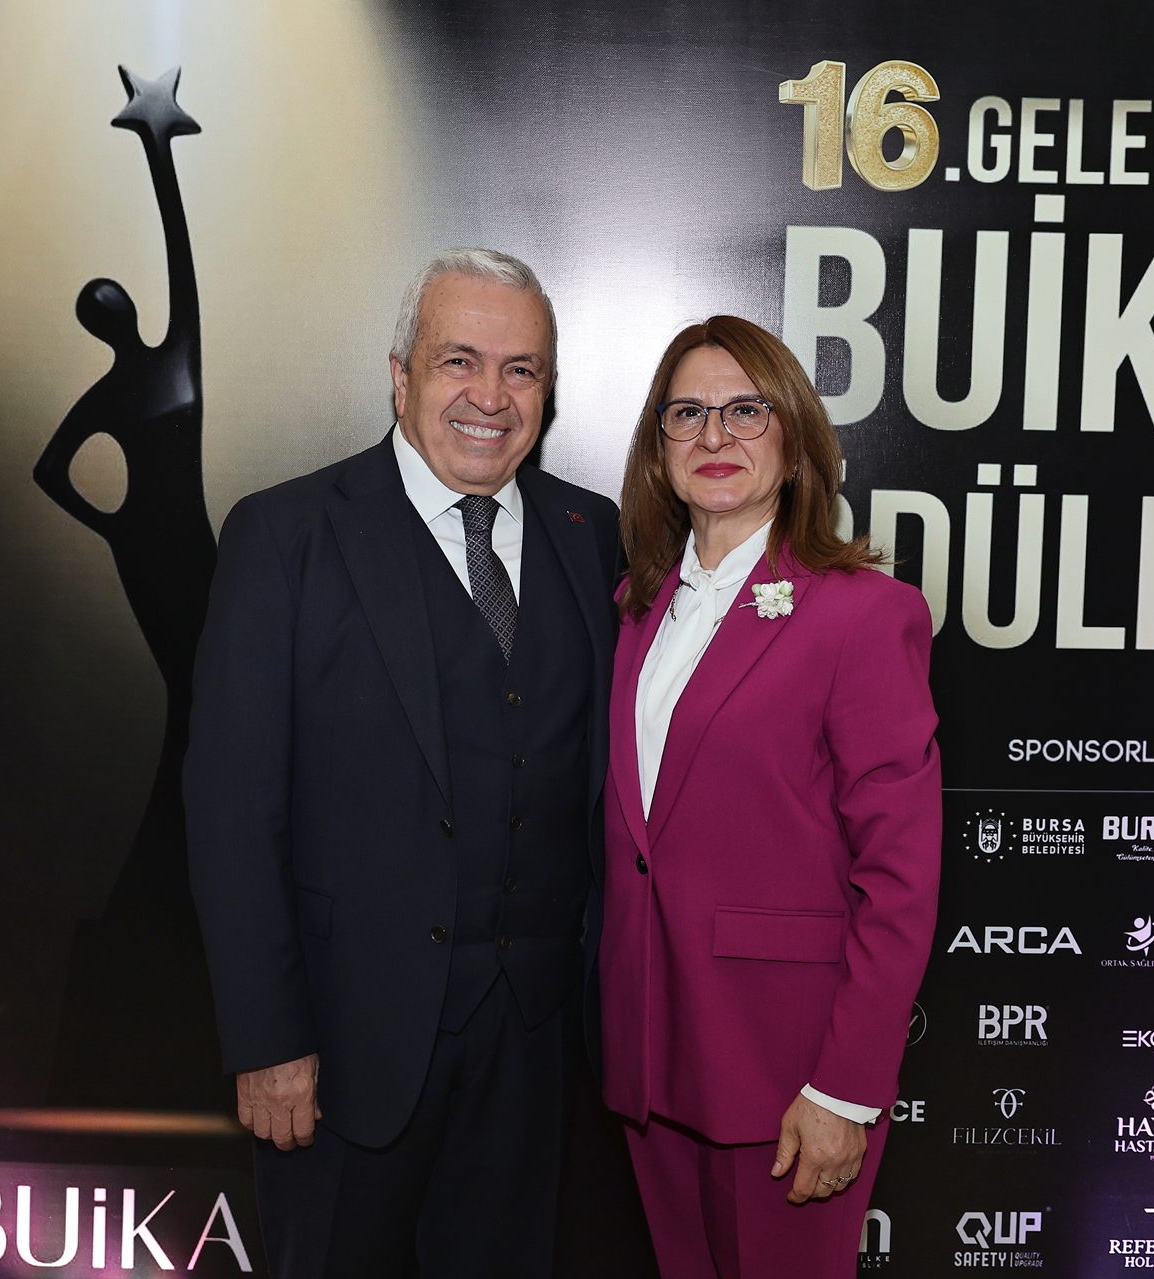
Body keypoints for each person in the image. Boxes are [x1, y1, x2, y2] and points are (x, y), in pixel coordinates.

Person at [185, 248, 622, 1278]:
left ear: (548, 389)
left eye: (521, 369)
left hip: (534, 1052)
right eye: (458, 359)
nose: (490, 396)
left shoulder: (590, 533)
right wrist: (267, 1039)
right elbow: (231, 810)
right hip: (344, 1058)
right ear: (399, 374)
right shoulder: (286, 535)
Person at [599, 316, 942, 1279]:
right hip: (651, 1059)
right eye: (687, 414)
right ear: (659, 449)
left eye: (745, 410)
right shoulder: (635, 608)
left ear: (793, 441)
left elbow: (901, 878)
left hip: (787, 1074)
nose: (715, 435)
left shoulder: (863, 613)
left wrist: (845, 1086)